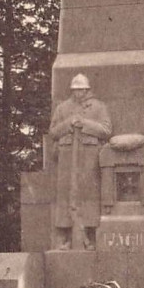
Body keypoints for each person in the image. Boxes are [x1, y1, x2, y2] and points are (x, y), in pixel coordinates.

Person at [49, 74, 112, 250]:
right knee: (66, 193)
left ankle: (89, 234)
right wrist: (69, 124)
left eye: (81, 90)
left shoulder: (99, 107)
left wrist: (85, 124)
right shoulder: (63, 108)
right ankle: (66, 235)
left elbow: (106, 130)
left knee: (89, 193)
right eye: (75, 90)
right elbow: (53, 132)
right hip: (67, 156)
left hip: (89, 155)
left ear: (87, 89)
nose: (78, 93)